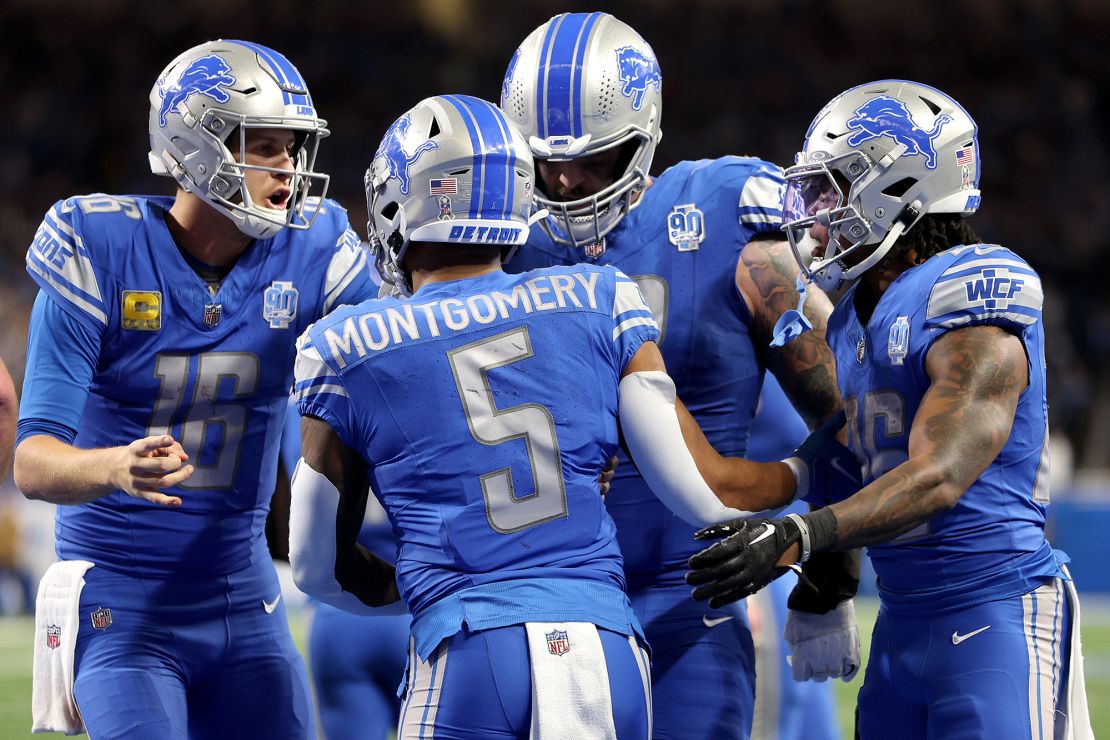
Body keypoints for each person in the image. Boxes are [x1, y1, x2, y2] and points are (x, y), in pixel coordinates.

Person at [288, 93, 756, 739]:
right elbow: (694, 483)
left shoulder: (347, 342)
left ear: (404, 200)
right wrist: (805, 479)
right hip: (607, 644)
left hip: (468, 644)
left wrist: (419, 586)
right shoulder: (598, 295)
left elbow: (315, 564)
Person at [687, 80, 1094, 739]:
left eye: (837, 190)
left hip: (995, 609)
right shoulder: (853, 314)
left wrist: (800, 534)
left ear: (903, 188)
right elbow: (855, 449)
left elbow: (939, 473)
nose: (819, 214)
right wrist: (820, 575)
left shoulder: (974, 285)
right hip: (902, 620)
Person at [499, 13, 847, 738]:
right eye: (545, 161)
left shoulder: (723, 214)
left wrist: (829, 572)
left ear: (644, 133)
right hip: (530, 603)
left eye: (597, 159)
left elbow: (841, 408)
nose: (565, 180)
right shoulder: (496, 238)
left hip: (689, 600)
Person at [15, 40, 375, 739]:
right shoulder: (99, 247)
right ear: (197, 146)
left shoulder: (316, 246)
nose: (289, 170)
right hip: (122, 606)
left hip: (246, 601)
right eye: (265, 146)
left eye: (294, 148)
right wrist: (113, 466)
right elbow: (33, 463)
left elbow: (399, 355)